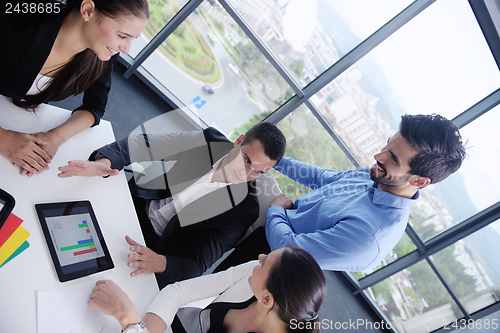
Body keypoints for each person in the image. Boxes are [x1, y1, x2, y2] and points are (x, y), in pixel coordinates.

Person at [217, 114, 467, 273]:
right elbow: (319, 178)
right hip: (272, 229)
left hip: (273, 267)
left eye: (392, 158)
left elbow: (289, 248)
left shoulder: (371, 237)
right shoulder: (376, 176)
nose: (378, 157)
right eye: (386, 145)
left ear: (420, 180)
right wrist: (273, 159)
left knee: (208, 310)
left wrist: (277, 212)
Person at [58, 121, 287, 288]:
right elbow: (147, 144)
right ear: (238, 141)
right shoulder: (210, 141)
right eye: (247, 160)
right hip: (137, 204)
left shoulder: (244, 210)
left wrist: (160, 263)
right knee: (65, 226)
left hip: (155, 248)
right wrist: (104, 163)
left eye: (258, 171)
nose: (246, 173)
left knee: (84, 281)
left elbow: (197, 264)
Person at [0, 0, 149, 176]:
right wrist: (4, 139)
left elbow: (94, 107)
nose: (126, 49)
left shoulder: (101, 53)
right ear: (87, 10)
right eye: (122, 36)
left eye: (133, 38)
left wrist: (55, 137)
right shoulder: (19, 16)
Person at [88, 247, 327, 333]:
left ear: (266, 299)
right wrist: (146, 330)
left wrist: (129, 320)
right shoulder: (254, 273)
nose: (259, 257)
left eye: (265, 262)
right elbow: (179, 291)